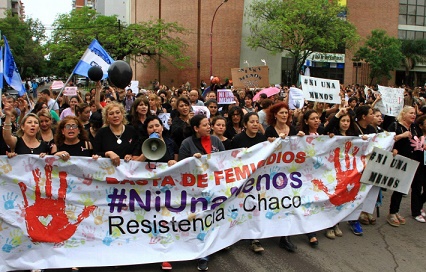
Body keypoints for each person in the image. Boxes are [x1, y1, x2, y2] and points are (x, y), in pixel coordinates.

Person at [178, 114, 225, 271]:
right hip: (195, 191)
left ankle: (216, 244)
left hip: (214, 187)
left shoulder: (216, 141)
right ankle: (202, 254)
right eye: (205, 125)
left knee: (213, 218)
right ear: (196, 128)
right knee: (200, 221)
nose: (209, 127)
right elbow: (181, 168)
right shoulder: (187, 144)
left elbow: (223, 161)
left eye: (209, 124)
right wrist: (193, 161)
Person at [387, 106, 418, 227]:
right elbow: (387, 139)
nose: (413, 115)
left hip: (410, 161)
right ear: (403, 114)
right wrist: (402, 136)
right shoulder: (395, 125)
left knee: (401, 187)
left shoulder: (414, 127)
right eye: (411, 113)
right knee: (394, 185)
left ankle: (395, 211)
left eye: (414, 113)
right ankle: (390, 213)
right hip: (396, 160)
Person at [93, 102, 140, 166]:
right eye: (111, 114)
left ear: (122, 114)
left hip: (128, 171)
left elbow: (137, 149)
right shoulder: (101, 133)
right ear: (107, 118)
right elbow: (95, 153)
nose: (115, 116)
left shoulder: (132, 131)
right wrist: (108, 153)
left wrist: (131, 155)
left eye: (118, 112)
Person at [411, 114, 426, 222]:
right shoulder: (416, 136)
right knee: (417, 188)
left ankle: (419, 204)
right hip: (418, 165)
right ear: (421, 126)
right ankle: (416, 212)